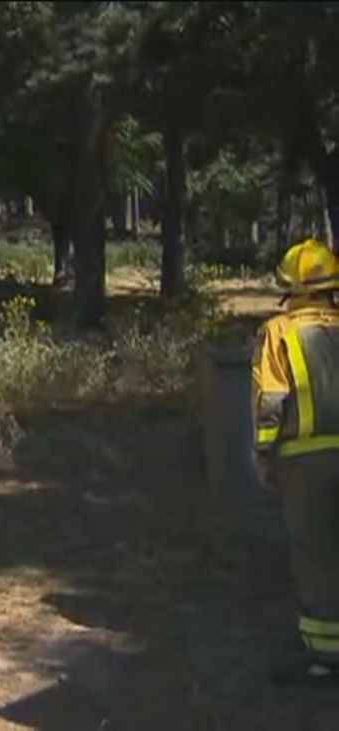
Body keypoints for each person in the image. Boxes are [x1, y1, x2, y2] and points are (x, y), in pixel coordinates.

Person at [251, 237, 339, 687]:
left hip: (305, 463)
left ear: (288, 286)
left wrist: (265, 454)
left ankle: (326, 658)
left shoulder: (278, 333)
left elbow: (272, 401)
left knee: (317, 558)